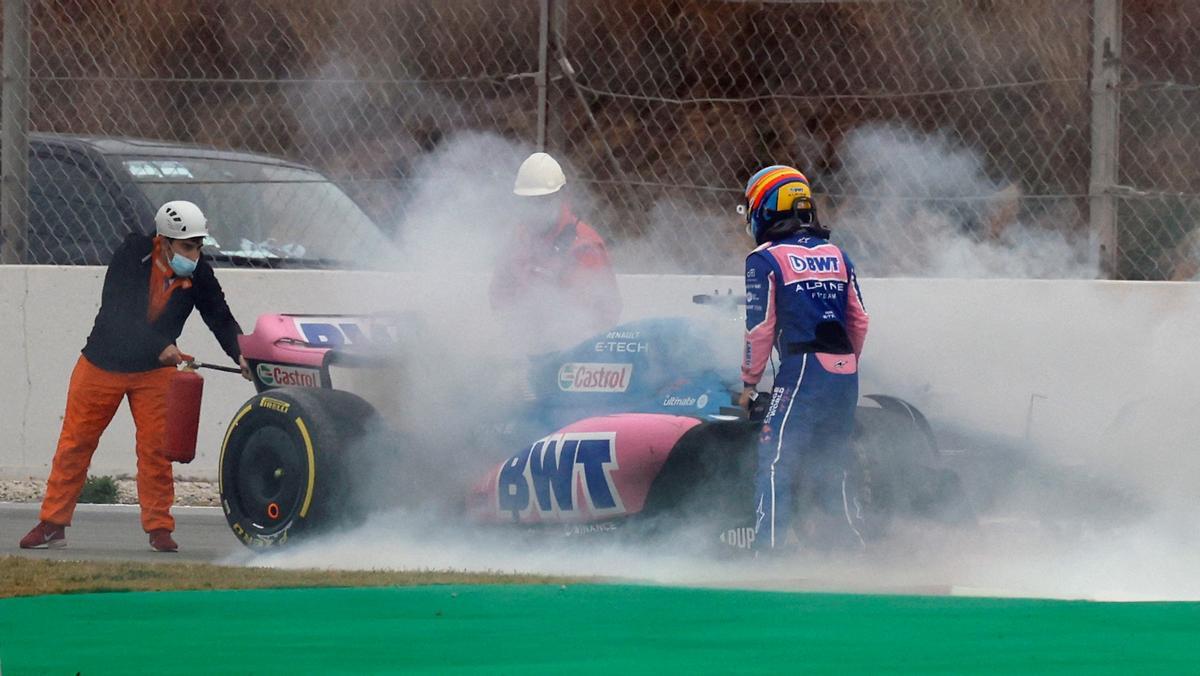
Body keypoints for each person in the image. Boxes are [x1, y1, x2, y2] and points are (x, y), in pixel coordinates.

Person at [19, 200, 249, 553]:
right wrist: (161, 344)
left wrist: (241, 353)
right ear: (164, 241)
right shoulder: (131, 254)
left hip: (155, 373)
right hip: (102, 364)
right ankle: (52, 524)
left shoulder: (199, 273)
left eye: (199, 246)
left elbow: (219, 316)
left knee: (158, 450)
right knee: (75, 444)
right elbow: (117, 310)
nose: (195, 254)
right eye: (188, 246)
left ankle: (159, 528)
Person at [737, 165, 870, 554]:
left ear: (766, 207)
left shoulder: (763, 260)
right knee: (834, 460)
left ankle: (769, 552)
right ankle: (850, 551)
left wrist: (749, 383)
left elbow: (759, 328)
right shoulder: (838, 255)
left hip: (803, 370)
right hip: (846, 369)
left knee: (776, 457)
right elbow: (859, 320)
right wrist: (846, 363)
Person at [489, 152, 621, 352]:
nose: (534, 208)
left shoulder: (584, 245)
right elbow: (499, 293)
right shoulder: (519, 238)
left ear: (560, 196)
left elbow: (600, 312)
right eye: (529, 201)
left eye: (542, 200)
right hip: (523, 348)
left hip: (573, 355)